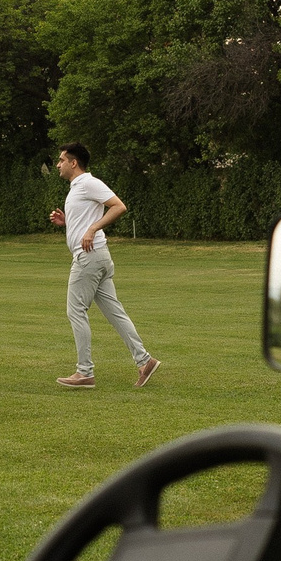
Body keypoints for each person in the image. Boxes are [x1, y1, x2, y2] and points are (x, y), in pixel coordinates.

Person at [47, 143, 160, 390]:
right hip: (96, 257)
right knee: (115, 312)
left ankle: (84, 372)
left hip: (89, 257)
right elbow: (85, 219)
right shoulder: (76, 187)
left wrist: (92, 228)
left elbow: (118, 206)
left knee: (75, 311)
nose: (58, 164)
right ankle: (144, 361)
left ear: (73, 163)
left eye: (61, 160)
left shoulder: (88, 182)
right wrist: (68, 223)